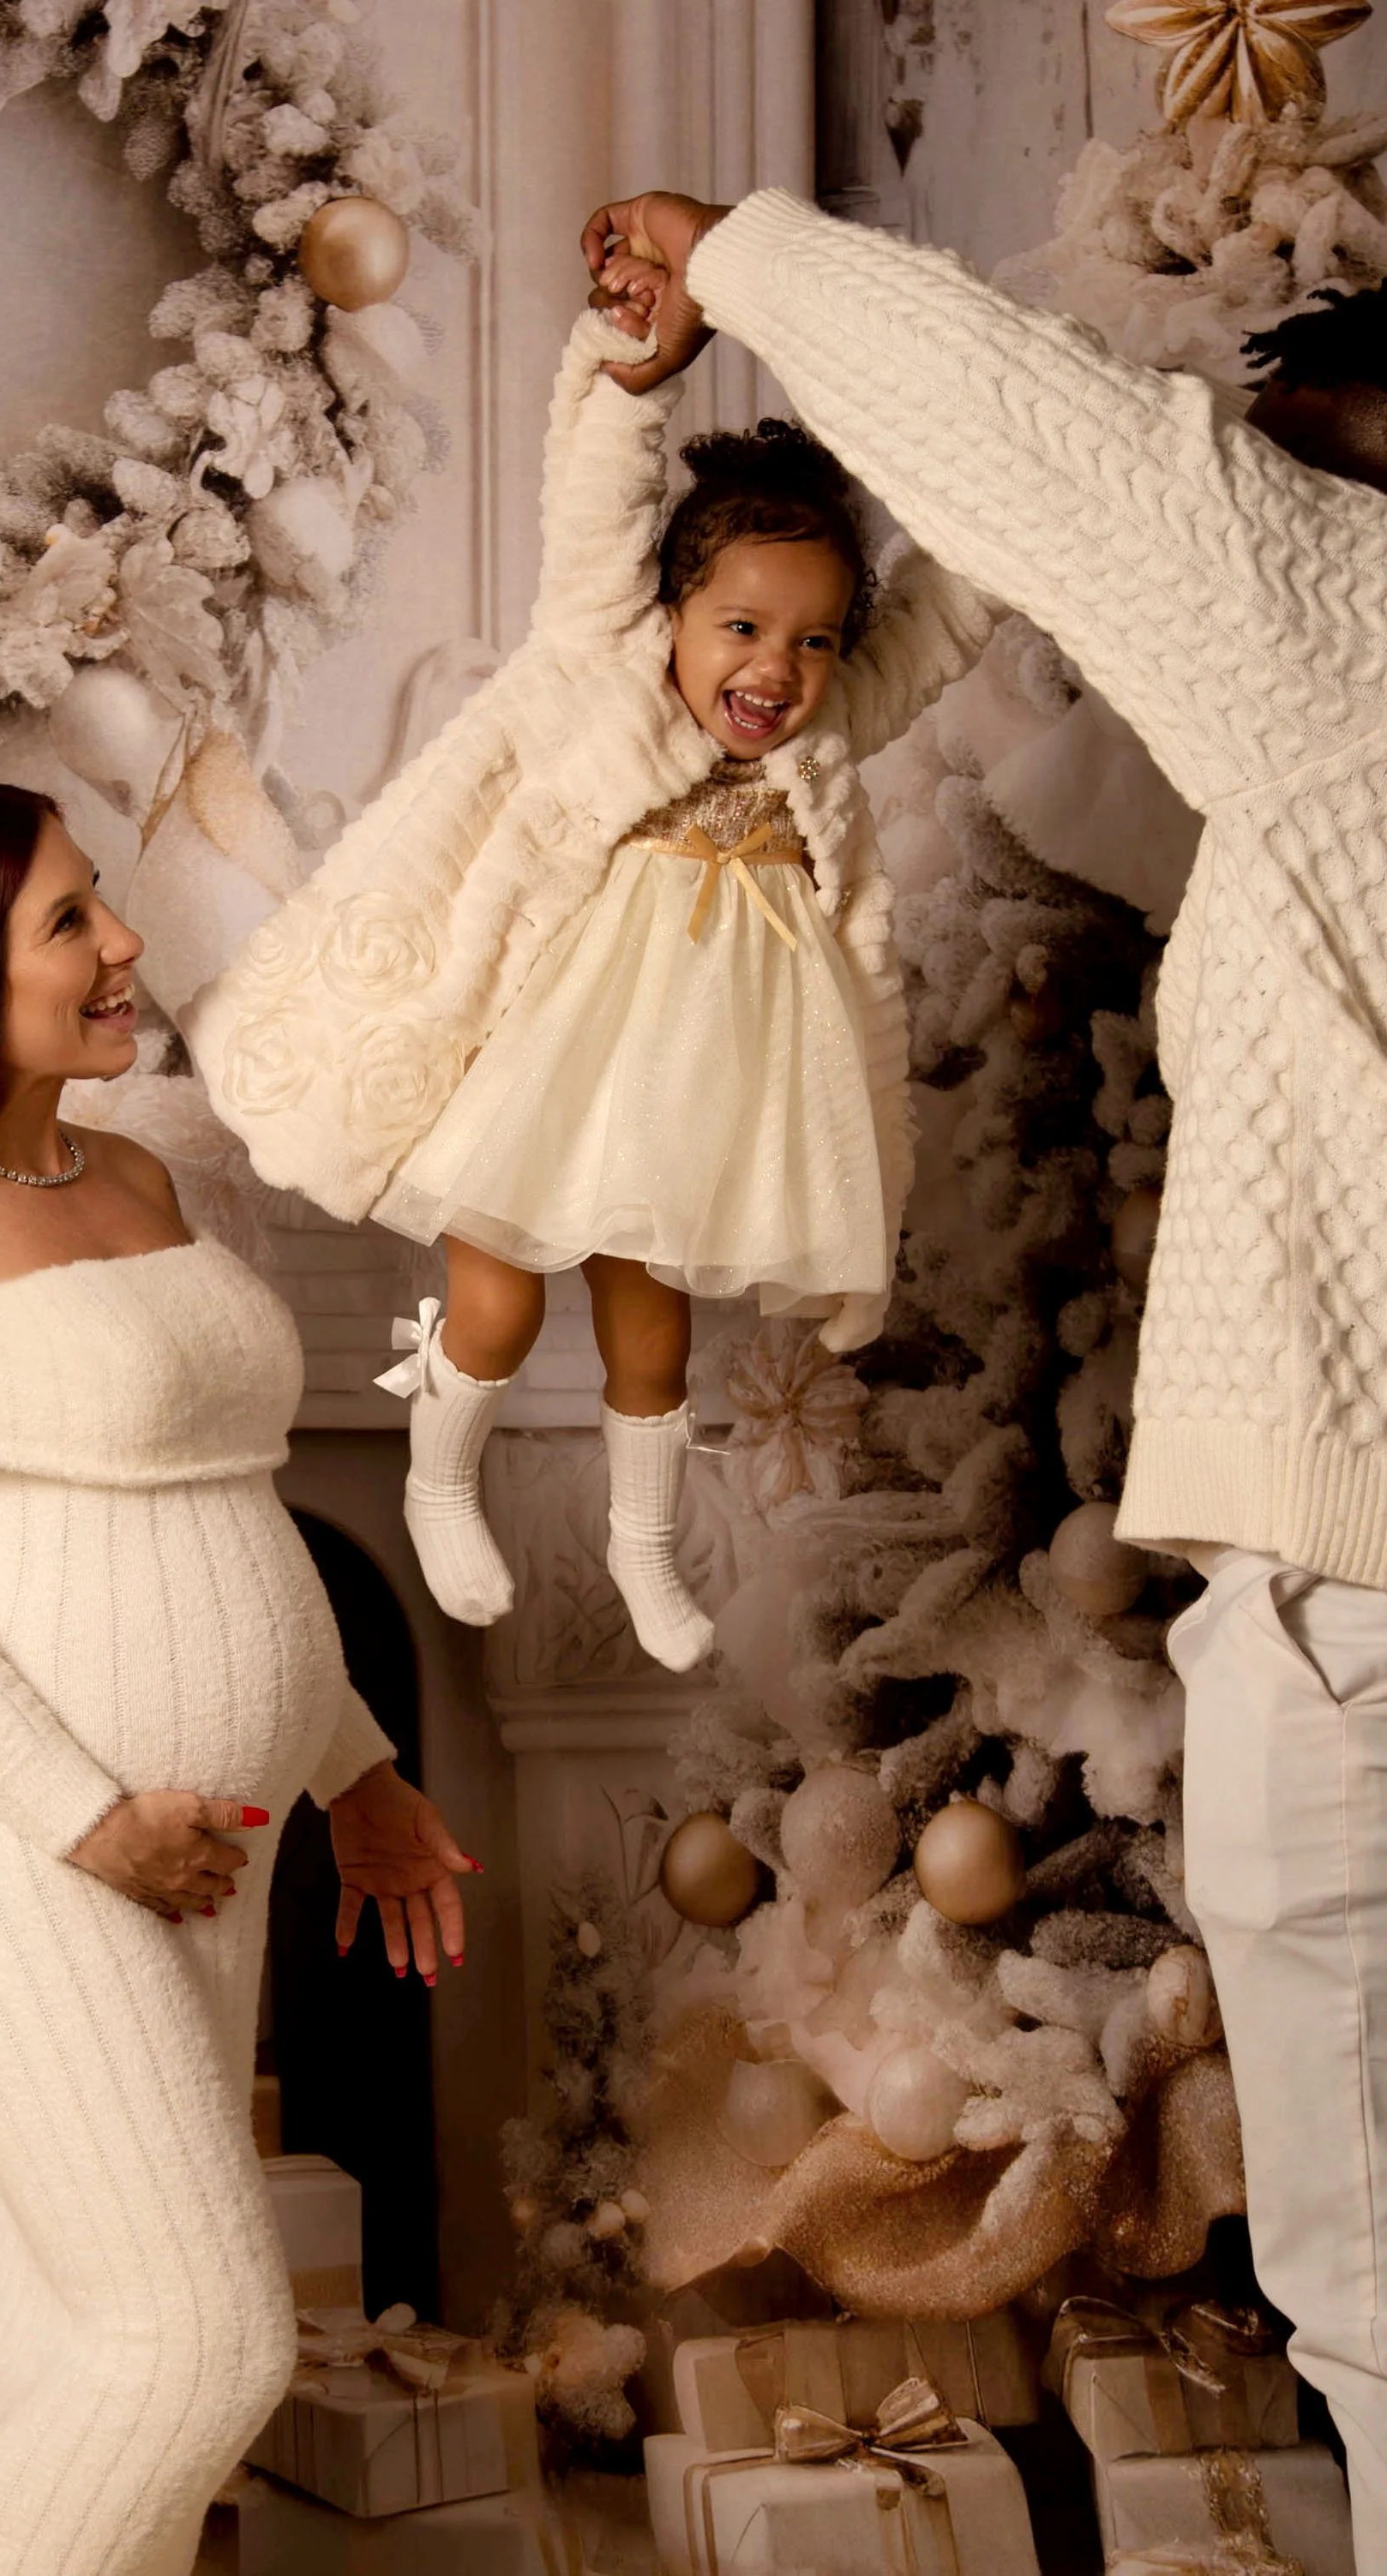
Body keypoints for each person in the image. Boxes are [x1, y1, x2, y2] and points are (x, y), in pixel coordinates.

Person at [584, 185, 1387, 2549]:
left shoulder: (1354, 648)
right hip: (1335, 1594)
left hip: (1366, 1610)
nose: (1267, 496)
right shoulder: (1315, 773)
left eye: (1311, 456)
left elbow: (1068, 454)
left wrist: (728, 250)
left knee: (1371, 2280)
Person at [0, 780, 477, 2576]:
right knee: (196, 2343)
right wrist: (87, 1822)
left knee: (75, 2341)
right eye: (70, 919)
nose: (126, 943)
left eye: (104, 905)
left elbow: (230, 1527)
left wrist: (352, 1769)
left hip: (196, 1857)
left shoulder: (127, 1175)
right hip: (19, 1863)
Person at [185, 313, 995, 1669]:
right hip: (550, 1055)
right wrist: (634, 368)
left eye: (811, 642)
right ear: (671, 614)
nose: (773, 670)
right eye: (741, 626)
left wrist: (993, 485)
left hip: (695, 1086)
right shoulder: (602, 659)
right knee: (494, 1304)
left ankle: (643, 1541)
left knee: (652, 1333)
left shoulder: (838, 718)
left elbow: (945, 621)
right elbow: (600, 502)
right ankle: (437, 1479)